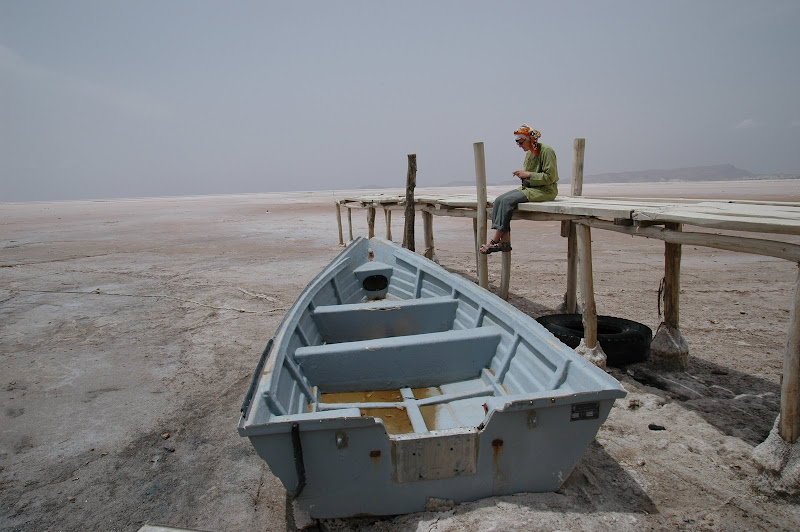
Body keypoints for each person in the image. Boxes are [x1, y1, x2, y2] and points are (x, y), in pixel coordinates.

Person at [480, 124, 558, 254]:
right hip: (530, 189)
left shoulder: (546, 151)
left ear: (530, 139)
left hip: (545, 191)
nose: (520, 146)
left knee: (507, 201)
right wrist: (522, 175)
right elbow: (529, 175)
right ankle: (505, 241)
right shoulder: (529, 154)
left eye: (521, 143)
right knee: (499, 200)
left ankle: (495, 240)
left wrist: (529, 175)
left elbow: (551, 177)